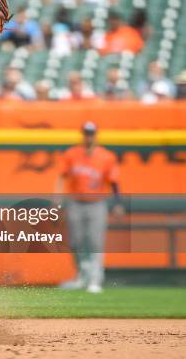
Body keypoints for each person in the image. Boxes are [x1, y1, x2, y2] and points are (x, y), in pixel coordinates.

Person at [56, 122, 124, 293]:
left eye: (91, 133)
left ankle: (95, 279)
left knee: (95, 241)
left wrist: (117, 203)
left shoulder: (106, 156)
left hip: (96, 203)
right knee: (75, 241)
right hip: (75, 201)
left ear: (96, 135)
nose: (89, 136)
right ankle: (82, 274)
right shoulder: (72, 153)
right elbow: (62, 176)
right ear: (83, 135)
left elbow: (114, 181)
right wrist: (57, 198)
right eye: (86, 133)